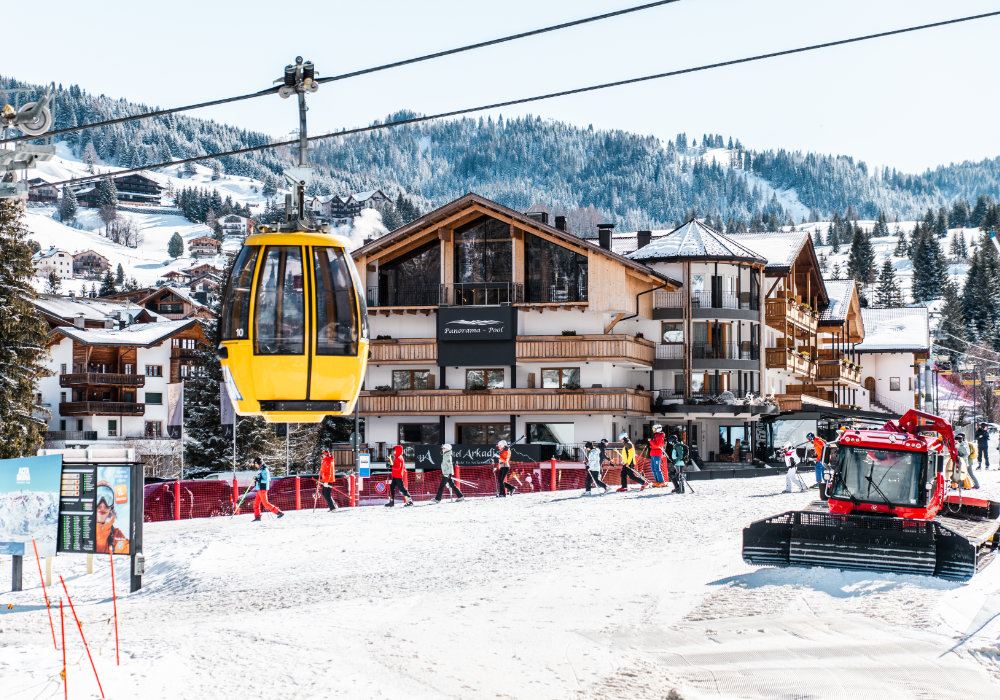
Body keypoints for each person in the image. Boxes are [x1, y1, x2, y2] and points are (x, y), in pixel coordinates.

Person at [95, 480, 129, 554]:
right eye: (97, 498)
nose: (102, 505)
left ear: (112, 507)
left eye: (108, 499)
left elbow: (127, 549)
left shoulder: (116, 535)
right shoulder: (81, 531)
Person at [252, 457, 284, 521]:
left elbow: (267, 480)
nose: (254, 465)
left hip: (263, 488)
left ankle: (278, 512)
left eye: (255, 464)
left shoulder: (264, 469)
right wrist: (256, 478)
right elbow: (259, 478)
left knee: (265, 503)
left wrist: (258, 479)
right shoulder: (260, 469)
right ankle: (257, 516)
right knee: (256, 503)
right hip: (259, 488)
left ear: (257, 463)